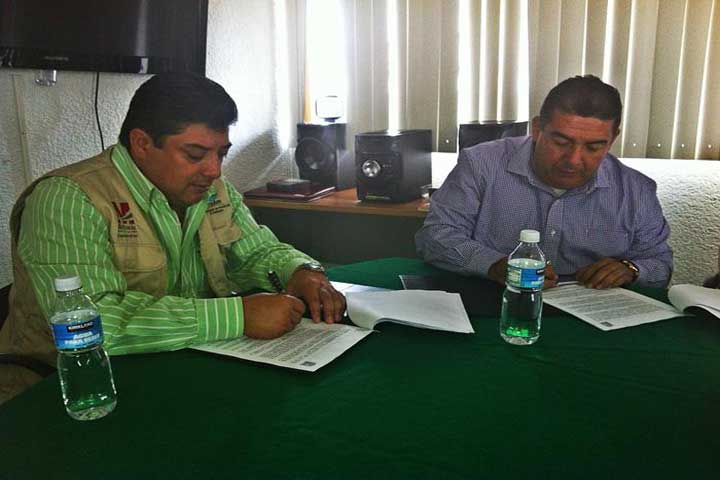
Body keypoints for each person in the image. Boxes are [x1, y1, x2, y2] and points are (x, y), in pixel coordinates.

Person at [0, 73, 345, 403]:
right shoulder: (67, 199)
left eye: (221, 153)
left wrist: (300, 271)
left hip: (177, 373)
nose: (214, 170)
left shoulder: (213, 190)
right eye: (195, 155)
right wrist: (238, 315)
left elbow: (255, 252)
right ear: (142, 144)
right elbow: (95, 322)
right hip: (67, 392)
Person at [416, 75, 672, 290]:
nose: (574, 160)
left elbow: (660, 264)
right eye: (561, 142)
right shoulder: (481, 164)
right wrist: (494, 265)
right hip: (497, 300)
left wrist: (630, 269)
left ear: (612, 139)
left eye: (594, 147)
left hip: (591, 314)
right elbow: (435, 237)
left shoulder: (636, 191)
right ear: (537, 129)